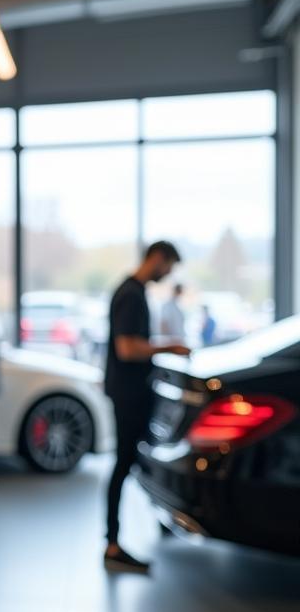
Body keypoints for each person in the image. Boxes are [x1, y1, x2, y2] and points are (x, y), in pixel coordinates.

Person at [104, 241, 191, 573]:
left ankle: (159, 521)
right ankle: (112, 542)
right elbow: (126, 348)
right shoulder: (131, 294)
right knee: (124, 463)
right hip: (128, 393)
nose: (168, 274)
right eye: (168, 266)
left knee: (133, 460)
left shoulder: (133, 292)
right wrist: (170, 346)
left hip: (131, 391)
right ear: (157, 259)